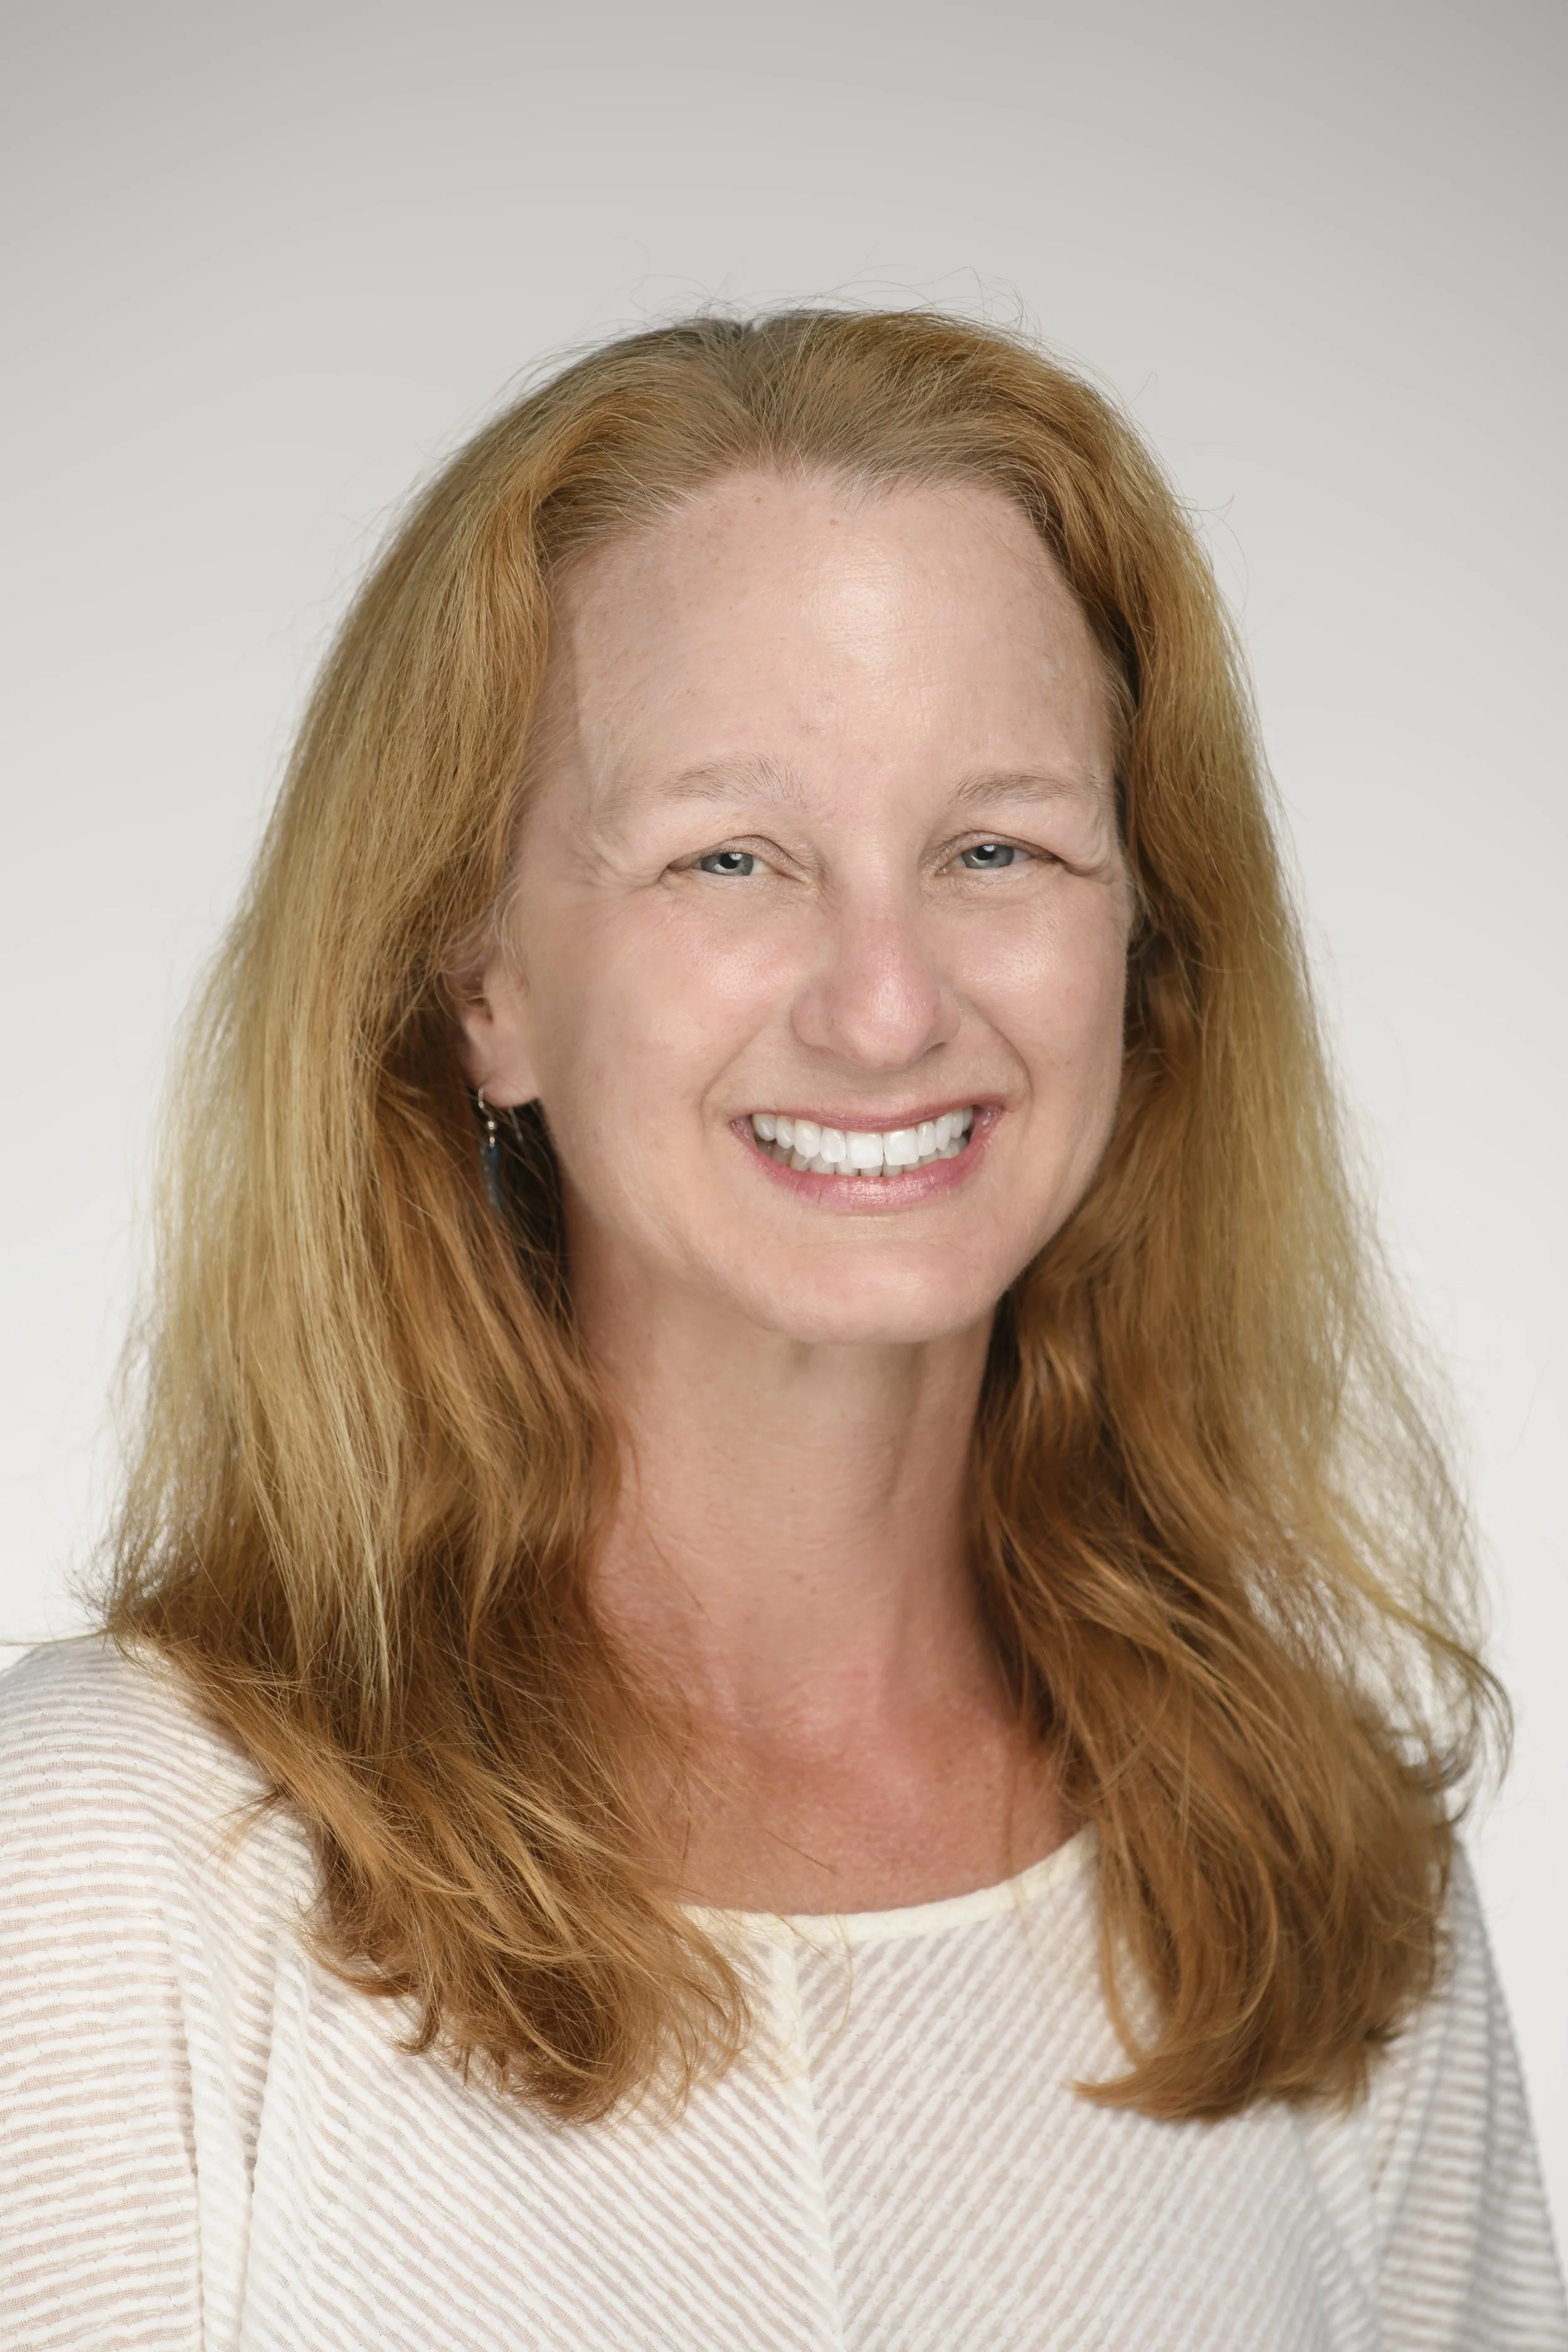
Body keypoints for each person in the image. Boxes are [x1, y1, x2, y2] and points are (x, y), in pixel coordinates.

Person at [1, 308, 1562, 2351]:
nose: (885, 1004)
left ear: (1140, 947)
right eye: (727, 855)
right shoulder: (107, 1860)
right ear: (480, 979)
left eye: (995, 846)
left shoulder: (1315, 1878)